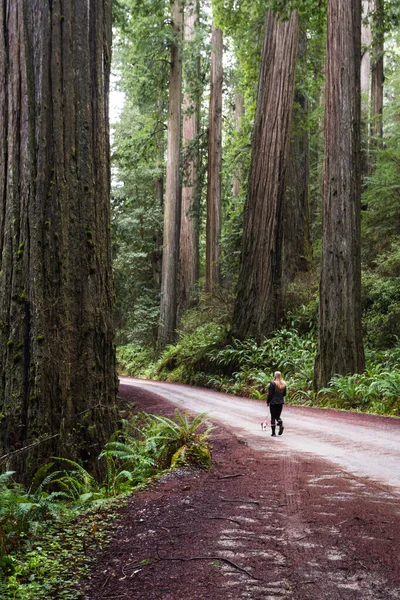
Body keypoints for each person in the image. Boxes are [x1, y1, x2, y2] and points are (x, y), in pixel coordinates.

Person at [267, 371, 286, 437]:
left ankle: (273, 433)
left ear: (275, 376)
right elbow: (284, 394)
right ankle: (280, 422)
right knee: (277, 416)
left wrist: (268, 402)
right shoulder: (284, 384)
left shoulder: (272, 383)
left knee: (273, 417)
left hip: (273, 402)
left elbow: (270, 394)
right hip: (280, 402)